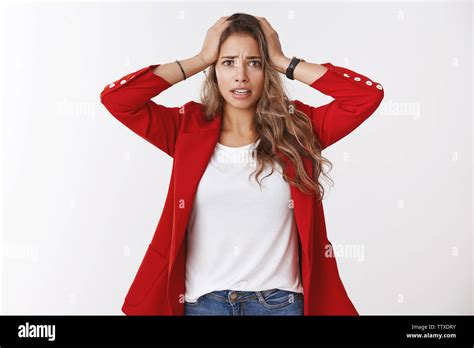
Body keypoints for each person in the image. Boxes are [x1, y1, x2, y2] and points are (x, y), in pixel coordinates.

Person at [100, 13, 384, 316]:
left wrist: (284, 61)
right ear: (214, 71)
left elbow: (365, 96)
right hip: (203, 306)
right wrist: (199, 58)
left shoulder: (299, 129)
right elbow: (118, 100)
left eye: (254, 62)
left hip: (281, 305)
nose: (241, 76)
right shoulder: (185, 129)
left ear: (267, 70)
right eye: (228, 62)